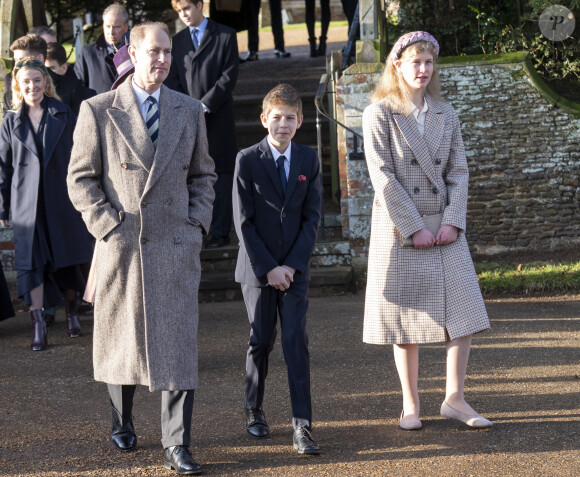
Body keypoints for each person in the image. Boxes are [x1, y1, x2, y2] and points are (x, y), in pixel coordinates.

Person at [67, 22, 216, 475]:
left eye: (168, 52)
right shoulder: (98, 109)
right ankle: (123, 418)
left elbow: (204, 176)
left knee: (177, 347)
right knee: (121, 341)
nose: (163, 60)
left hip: (174, 244)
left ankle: (177, 444)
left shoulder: (190, 110)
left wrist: (196, 226)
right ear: (132, 52)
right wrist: (107, 226)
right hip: (123, 244)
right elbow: (81, 178)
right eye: (154, 51)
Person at [362, 31, 492, 431]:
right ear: (396, 65)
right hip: (401, 228)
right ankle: (410, 405)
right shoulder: (379, 113)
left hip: (445, 227)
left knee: (465, 313)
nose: (423, 69)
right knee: (407, 320)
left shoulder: (445, 113)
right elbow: (381, 177)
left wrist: (453, 220)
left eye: (429, 62)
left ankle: (454, 399)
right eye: (415, 61)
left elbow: (459, 171)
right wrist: (414, 227)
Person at [233, 84, 322, 455]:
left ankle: (302, 424)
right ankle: (254, 408)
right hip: (257, 270)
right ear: (264, 120)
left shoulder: (308, 159)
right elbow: (243, 221)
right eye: (276, 117)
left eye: (289, 118)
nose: (282, 124)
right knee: (261, 340)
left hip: (294, 270)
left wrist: (291, 266)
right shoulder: (247, 159)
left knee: (294, 343)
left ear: (300, 121)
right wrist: (270, 268)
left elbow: (312, 217)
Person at [0, 58, 93, 350]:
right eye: (26, 81)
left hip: (62, 200)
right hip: (26, 206)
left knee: (66, 260)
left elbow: (82, 157)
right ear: (18, 85)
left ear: (46, 82)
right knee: (33, 264)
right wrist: (2, 208)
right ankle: (38, 324)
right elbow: (2, 168)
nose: (32, 86)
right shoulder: (10, 121)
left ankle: (71, 314)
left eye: (37, 80)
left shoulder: (63, 113)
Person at [166, 0, 239, 248]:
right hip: (186, 121)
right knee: (191, 175)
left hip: (217, 118)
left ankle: (220, 233)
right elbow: (173, 78)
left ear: (200, 5)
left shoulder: (226, 35)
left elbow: (228, 76)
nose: (183, 14)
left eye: (187, 8)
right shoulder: (177, 41)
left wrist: (204, 105)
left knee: (221, 175)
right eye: (179, 11)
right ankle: (197, 230)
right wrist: (187, 107)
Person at [4, 35, 93, 116]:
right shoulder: (9, 97)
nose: (17, 65)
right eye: (16, 60)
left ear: (40, 59)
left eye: (23, 60)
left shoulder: (72, 88)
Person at [74, 3, 129, 94]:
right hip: (97, 106)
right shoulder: (87, 53)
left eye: (116, 27)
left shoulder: (137, 52)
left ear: (126, 27)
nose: (111, 32)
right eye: (108, 26)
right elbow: (79, 88)